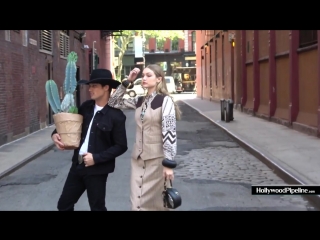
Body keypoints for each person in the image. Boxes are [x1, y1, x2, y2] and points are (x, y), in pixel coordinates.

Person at [51, 69, 128, 211]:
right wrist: (55, 133)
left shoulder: (116, 116)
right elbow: (70, 123)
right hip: (77, 165)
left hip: (97, 169)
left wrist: (97, 158)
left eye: (94, 86)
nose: (90, 89)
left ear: (106, 88)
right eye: (89, 86)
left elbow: (121, 146)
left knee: (97, 207)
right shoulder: (85, 107)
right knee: (64, 204)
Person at [108, 64, 181, 211]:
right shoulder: (139, 101)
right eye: (143, 75)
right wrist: (128, 81)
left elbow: (169, 132)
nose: (144, 78)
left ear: (159, 79)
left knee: (157, 206)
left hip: (157, 161)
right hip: (138, 160)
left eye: (149, 75)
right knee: (136, 205)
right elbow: (113, 102)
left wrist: (168, 164)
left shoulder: (165, 101)